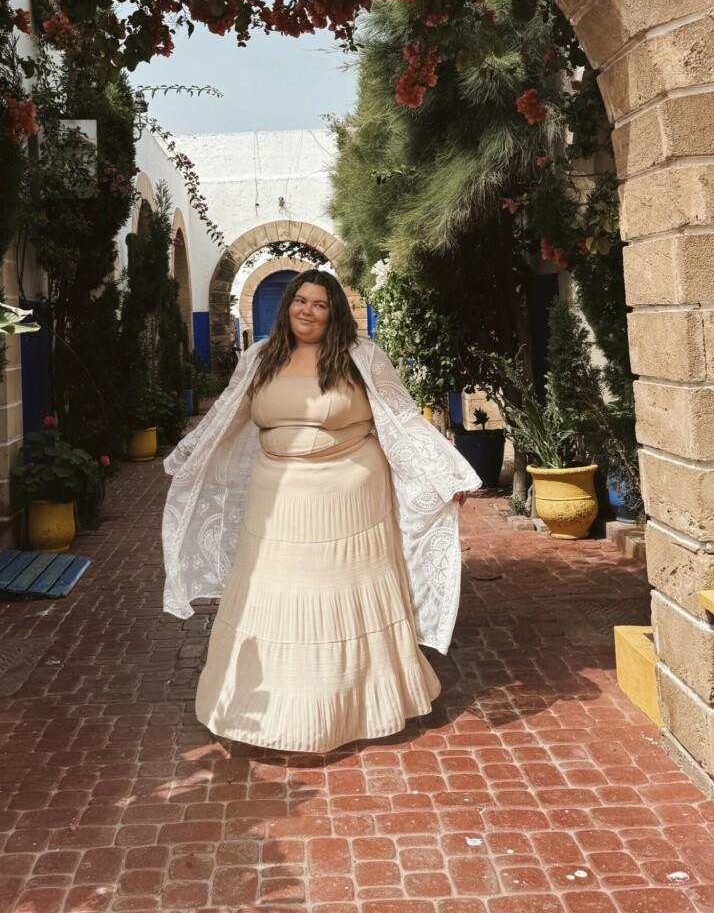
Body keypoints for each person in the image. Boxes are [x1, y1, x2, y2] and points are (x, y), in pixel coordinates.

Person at [162, 270, 481, 753]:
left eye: (320, 304)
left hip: (350, 490)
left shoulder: (361, 357)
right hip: (278, 491)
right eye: (300, 301)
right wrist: (189, 460)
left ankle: (354, 706)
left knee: (344, 589)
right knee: (272, 591)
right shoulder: (258, 358)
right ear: (287, 303)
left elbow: (403, 417)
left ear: (334, 313)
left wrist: (445, 473)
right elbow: (226, 417)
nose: (307, 311)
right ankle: (266, 711)